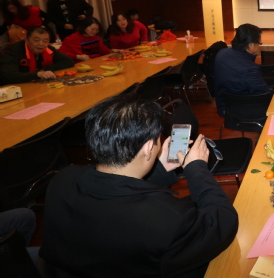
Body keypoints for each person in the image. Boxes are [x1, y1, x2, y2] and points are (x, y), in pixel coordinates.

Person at [40, 94, 238, 278]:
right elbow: (223, 223)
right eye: (158, 140)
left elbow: (117, 190)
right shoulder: (168, 220)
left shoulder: (62, 180)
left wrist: (159, 168)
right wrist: (196, 168)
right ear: (149, 147)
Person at [213, 23, 271, 116]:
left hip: (224, 106)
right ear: (251, 44)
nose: (259, 46)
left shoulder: (222, 53)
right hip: (244, 109)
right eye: (259, 43)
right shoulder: (250, 69)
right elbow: (264, 94)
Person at [0, 26, 74, 85]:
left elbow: (68, 61)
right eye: (36, 40)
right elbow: (10, 76)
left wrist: (44, 70)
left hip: (33, 85)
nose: (41, 44)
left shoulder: (48, 49)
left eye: (45, 41)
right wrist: (38, 74)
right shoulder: (11, 52)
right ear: (26, 40)